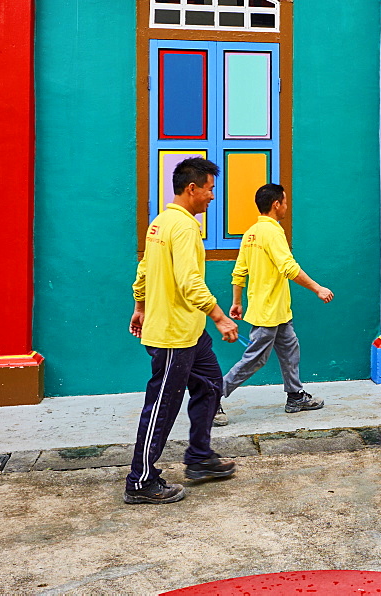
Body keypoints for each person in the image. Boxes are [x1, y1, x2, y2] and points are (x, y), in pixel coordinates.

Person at [124, 157, 240, 504]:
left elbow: (144, 269)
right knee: (161, 406)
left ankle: (200, 457)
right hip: (174, 333)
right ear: (192, 189)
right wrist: (220, 316)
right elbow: (190, 283)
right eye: (209, 190)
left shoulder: (159, 222)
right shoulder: (185, 227)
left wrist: (140, 306)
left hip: (190, 332)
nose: (211, 197)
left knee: (210, 384)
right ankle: (140, 481)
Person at [215, 183, 333, 424]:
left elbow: (239, 272)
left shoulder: (251, 233)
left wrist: (236, 302)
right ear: (276, 204)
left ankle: (295, 395)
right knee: (255, 359)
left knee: (290, 348)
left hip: (276, 310)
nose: (287, 207)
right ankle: (211, 396)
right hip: (268, 312)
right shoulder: (273, 232)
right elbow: (289, 268)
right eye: (285, 202)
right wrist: (317, 288)